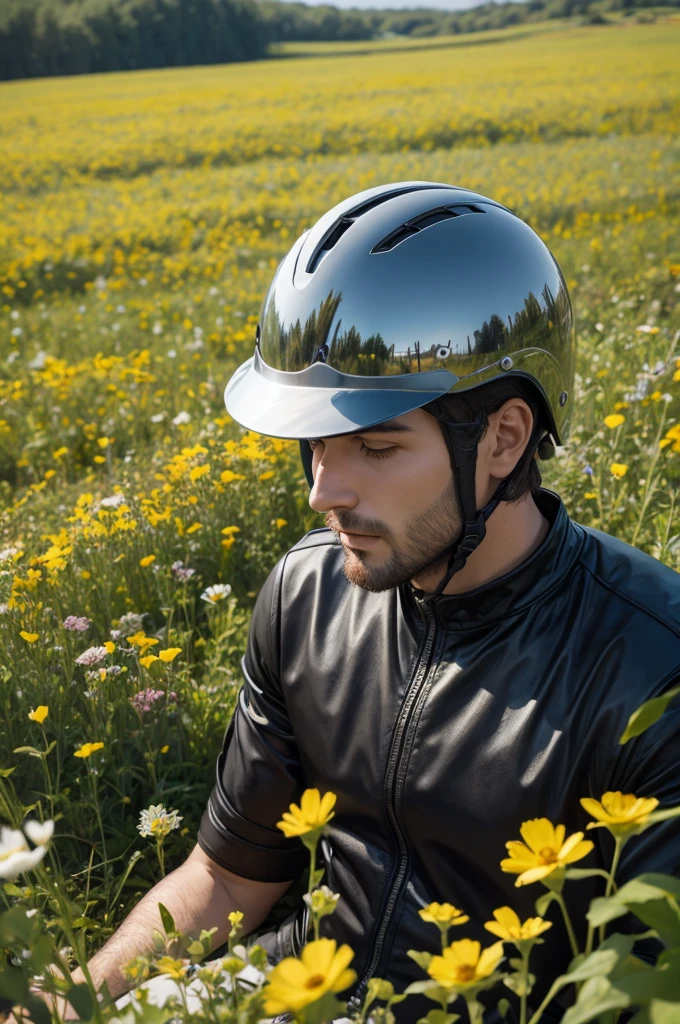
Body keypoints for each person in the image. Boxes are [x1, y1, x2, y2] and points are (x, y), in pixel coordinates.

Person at [12, 181, 680, 1023]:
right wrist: (70, 1005)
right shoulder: (307, 592)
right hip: (298, 988)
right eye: (316, 446)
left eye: (375, 444)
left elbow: (641, 998)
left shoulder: (653, 668)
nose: (326, 491)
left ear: (504, 438)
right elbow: (228, 875)